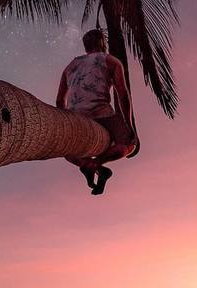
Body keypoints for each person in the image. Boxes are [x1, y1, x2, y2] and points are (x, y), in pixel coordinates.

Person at [56, 28, 137, 195]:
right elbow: (123, 95)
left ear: (85, 46)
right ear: (102, 43)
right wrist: (129, 126)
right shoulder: (111, 61)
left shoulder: (70, 66)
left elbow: (59, 101)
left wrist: (65, 124)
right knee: (129, 144)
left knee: (66, 151)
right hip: (101, 114)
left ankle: (85, 164)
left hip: (75, 116)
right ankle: (98, 163)